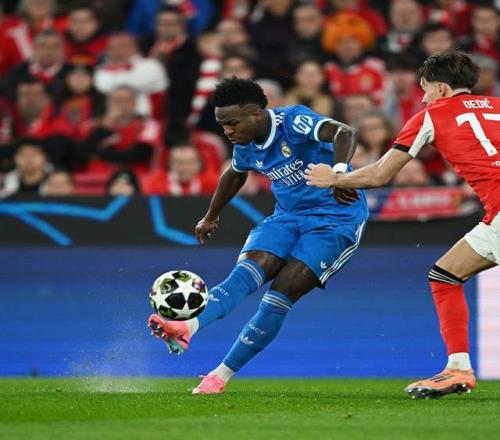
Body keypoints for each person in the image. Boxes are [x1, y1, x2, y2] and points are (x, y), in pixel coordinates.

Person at [148, 77, 368, 394]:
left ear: (257, 114)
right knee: (244, 274)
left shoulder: (294, 120)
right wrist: (211, 215)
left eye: (232, 123)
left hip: (336, 220)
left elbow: (344, 133)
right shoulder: (246, 144)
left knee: (279, 293)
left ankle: (219, 376)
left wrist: (339, 175)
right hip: (287, 216)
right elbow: (234, 174)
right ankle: (186, 326)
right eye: (222, 125)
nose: (228, 131)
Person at [305, 50, 500, 399]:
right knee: (445, 274)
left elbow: (381, 174)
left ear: (441, 88)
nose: (423, 98)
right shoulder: (497, 107)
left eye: (425, 90)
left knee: (445, 278)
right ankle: (457, 368)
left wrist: (333, 178)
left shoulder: (431, 115)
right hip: (495, 216)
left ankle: (458, 369)